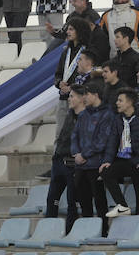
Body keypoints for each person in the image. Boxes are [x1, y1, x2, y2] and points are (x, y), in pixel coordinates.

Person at [100, 87, 139, 217]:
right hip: (125, 160)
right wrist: (107, 161)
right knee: (106, 172)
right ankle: (123, 206)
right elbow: (112, 142)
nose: (117, 103)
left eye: (120, 100)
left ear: (130, 102)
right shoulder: (118, 119)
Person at [71, 81, 114, 233]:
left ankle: (103, 230)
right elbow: (74, 136)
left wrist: (84, 154)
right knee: (83, 199)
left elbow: (102, 140)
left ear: (95, 95)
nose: (85, 97)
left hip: (96, 164)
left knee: (99, 199)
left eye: (87, 94)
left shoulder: (107, 114)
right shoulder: (83, 114)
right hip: (81, 164)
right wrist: (76, 153)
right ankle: (88, 229)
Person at [46, 84, 84, 231]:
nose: (69, 98)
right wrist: (56, 157)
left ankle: (69, 232)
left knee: (71, 202)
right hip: (59, 162)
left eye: (72, 96)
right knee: (51, 200)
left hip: (72, 165)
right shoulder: (70, 114)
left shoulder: (86, 117)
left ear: (81, 98)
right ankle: (48, 230)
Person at [53, 18, 93, 131]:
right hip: (64, 97)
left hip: (80, 98)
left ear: (79, 31)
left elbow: (90, 76)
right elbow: (58, 74)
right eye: (67, 29)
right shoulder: (66, 51)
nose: (68, 32)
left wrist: (72, 88)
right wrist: (59, 83)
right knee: (60, 133)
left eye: (71, 29)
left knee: (78, 132)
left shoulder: (88, 52)